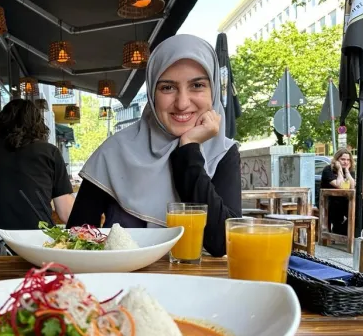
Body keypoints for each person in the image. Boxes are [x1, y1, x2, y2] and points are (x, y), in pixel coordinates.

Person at [66, 34, 242, 257]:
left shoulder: (223, 152)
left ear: (213, 90)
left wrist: (188, 150)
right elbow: (75, 239)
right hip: (121, 287)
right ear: (152, 94)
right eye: (167, 88)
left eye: (197, 85)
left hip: (200, 286)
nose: (182, 103)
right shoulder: (115, 152)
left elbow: (222, 242)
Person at [0, 99, 74, 234]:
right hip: (37, 242)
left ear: (0, 121)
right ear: (38, 125)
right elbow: (65, 212)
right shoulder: (49, 152)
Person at [320, 148, 356, 235]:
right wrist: (340, 170)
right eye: (343, 159)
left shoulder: (350, 171)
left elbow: (352, 186)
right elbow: (339, 185)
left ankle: (340, 231)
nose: (346, 162)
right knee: (340, 208)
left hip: (343, 201)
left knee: (360, 211)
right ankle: (338, 231)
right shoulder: (328, 169)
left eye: (348, 160)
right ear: (336, 160)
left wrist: (347, 172)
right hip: (328, 202)